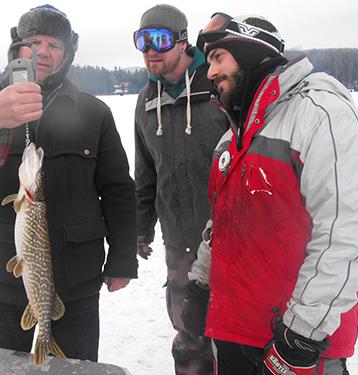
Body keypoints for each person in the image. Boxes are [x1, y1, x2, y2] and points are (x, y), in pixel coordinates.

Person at [0, 4, 137, 362]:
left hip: (77, 282)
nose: (43, 51)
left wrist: (122, 258)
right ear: (17, 47)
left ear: (68, 52)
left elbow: (118, 188)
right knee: (3, 368)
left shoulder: (93, 111)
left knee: (75, 368)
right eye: (34, 41)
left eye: (54, 44)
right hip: (1, 278)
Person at [189, 12, 358, 374]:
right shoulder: (232, 138)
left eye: (217, 58)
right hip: (232, 330)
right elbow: (221, 225)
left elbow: (347, 234)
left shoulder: (323, 116)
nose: (208, 73)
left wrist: (302, 335)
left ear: (250, 51)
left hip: (294, 345)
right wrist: (200, 283)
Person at [133, 4, 229, 374]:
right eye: (142, 40)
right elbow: (146, 175)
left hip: (228, 239)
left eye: (159, 39)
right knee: (190, 337)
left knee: (238, 337)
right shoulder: (146, 101)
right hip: (179, 244)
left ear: (182, 40)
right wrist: (141, 229)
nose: (150, 49)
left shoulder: (220, 83)